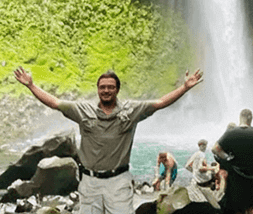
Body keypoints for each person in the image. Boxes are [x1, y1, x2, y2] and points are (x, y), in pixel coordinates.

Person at [14, 67, 203, 214]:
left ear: (117, 89)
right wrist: (31, 85)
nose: (106, 90)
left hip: (119, 181)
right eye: (102, 87)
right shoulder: (83, 110)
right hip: (90, 181)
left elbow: (160, 103)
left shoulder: (131, 110)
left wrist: (185, 87)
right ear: (98, 90)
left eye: (111, 87)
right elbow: (55, 103)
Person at [212, 109, 253, 214]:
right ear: (250, 118)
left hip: (236, 177)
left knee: (240, 209)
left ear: (240, 117)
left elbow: (215, 149)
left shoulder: (230, 133)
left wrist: (227, 158)